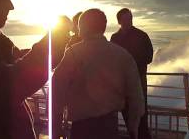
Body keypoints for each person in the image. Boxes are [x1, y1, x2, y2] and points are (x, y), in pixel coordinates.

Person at [0, 0, 67, 139]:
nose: (11, 6)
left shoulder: (1, 41)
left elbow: (18, 63)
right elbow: (8, 87)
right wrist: (52, 44)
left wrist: (56, 43)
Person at [52, 8, 145, 139]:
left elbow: (57, 90)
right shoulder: (122, 55)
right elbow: (136, 96)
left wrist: (56, 126)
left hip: (81, 128)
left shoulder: (73, 53)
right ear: (104, 27)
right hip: (109, 127)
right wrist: (133, 125)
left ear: (82, 28)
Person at [110, 8, 153, 139]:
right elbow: (112, 59)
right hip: (122, 85)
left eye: (130, 18)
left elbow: (149, 57)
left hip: (139, 83)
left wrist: (132, 62)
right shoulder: (115, 38)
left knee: (141, 115)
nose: (129, 21)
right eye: (126, 19)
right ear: (119, 21)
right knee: (127, 115)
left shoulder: (142, 35)